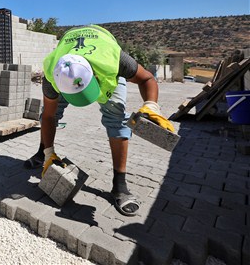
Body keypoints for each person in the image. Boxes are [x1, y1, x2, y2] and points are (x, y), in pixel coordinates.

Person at [24, 25, 175, 217]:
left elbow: (147, 79)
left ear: (94, 76)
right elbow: (48, 116)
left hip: (102, 57)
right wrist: (49, 153)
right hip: (70, 59)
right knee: (52, 112)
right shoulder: (52, 73)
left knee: (117, 120)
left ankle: (120, 186)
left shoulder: (114, 59)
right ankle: (43, 154)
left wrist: (151, 105)